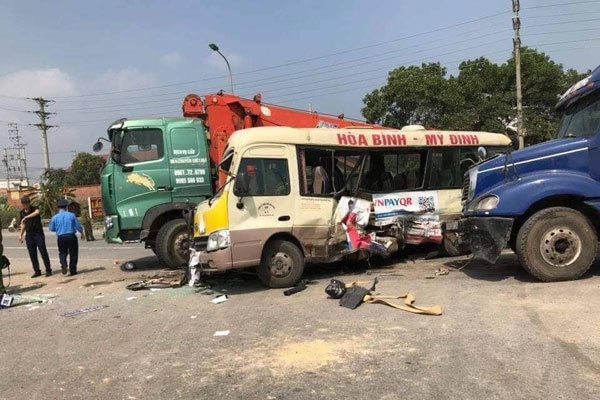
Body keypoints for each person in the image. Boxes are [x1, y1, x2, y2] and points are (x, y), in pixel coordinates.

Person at [19, 195, 52, 278]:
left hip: (38, 234)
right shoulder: (22, 212)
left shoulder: (34, 208)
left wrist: (26, 216)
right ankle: (37, 271)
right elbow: (23, 224)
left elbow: (37, 213)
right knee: (32, 254)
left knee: (43, 252)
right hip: (29, 235)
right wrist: (20, 235)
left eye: (27, 203)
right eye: (24, 204)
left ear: (29, 203)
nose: (26, 205)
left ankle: (48, 270)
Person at [49, 199, 84, 276]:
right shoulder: (72, 215)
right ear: (66, 207)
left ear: (58, 207)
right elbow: (78, 226)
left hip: (61, 237)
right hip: (71, 236)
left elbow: (51, 228)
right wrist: (82, 233)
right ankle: (73, 270)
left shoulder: (55, 217)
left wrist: (58, 229)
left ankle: (63, 264)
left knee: (62, 252)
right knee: (73, 253)